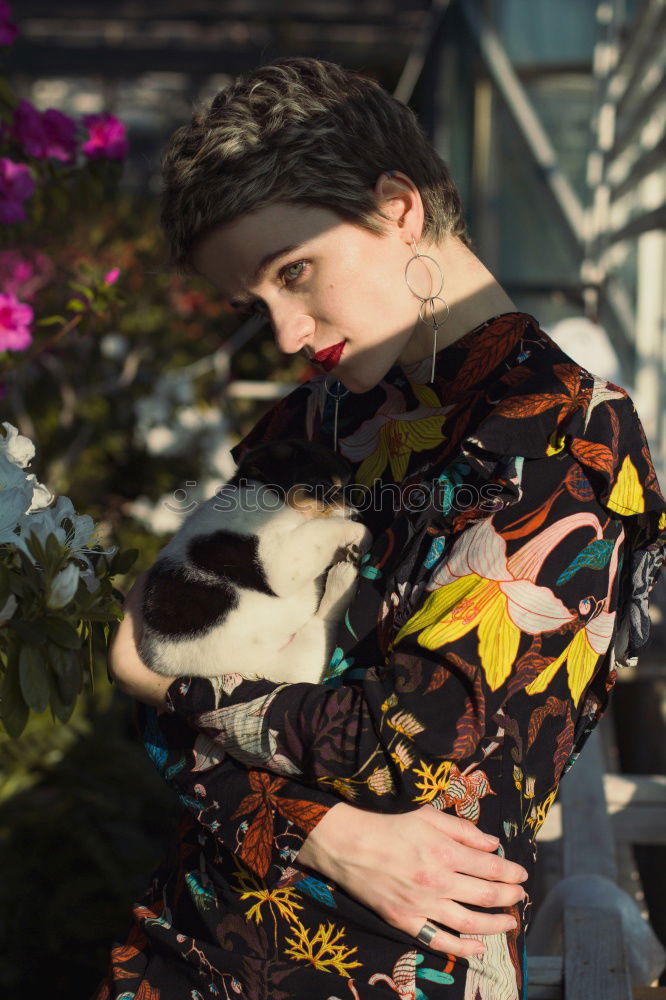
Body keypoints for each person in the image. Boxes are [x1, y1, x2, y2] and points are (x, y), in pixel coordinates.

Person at [94, 57, 666, 1000]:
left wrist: (170, 691)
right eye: (257, 301)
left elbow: (410, 757)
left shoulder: (564, 433)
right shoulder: (324, 418)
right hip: (182, 943)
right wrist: (323, 827)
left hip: (378, 968)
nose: (284, 333)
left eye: (296, 271)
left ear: (398, 207)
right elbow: (154, 646)